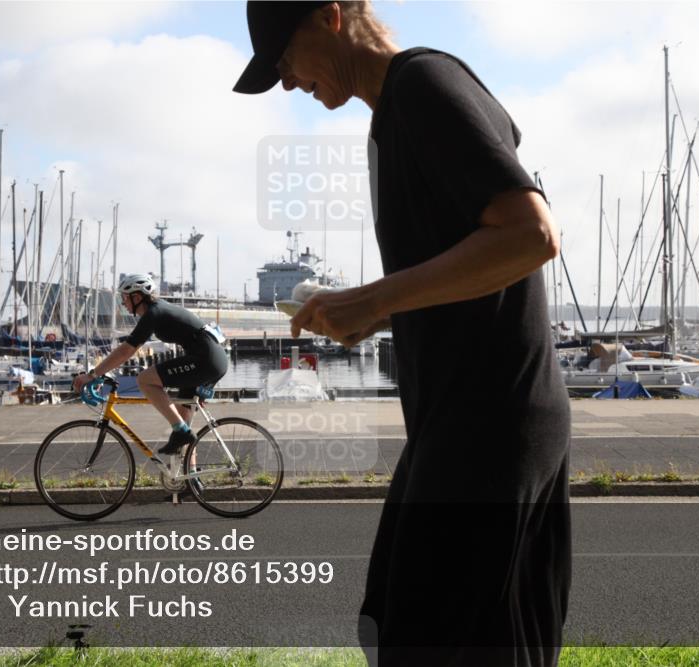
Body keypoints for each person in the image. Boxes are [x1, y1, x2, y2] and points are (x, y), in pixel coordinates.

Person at [234, 2, 571, 665]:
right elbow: (470, 266)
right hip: (466, 421)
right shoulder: (398, 112)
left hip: (490, 424)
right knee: (407, 620)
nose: (292, 83)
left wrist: (375, 297)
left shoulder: (423, 87)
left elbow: (532, 235)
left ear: (329, 16)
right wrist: (369, 311)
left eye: (286, 60)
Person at [72, 274, 228, 455]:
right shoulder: (157, 310)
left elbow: (126, 350)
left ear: (137, 297)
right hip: (210, 359)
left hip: (206, 360)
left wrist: (92, 374)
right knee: (183, 418)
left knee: (145, 380)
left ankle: (181, 431)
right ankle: (190, 477)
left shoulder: (153, 313)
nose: (123, 303)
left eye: (124, 298)